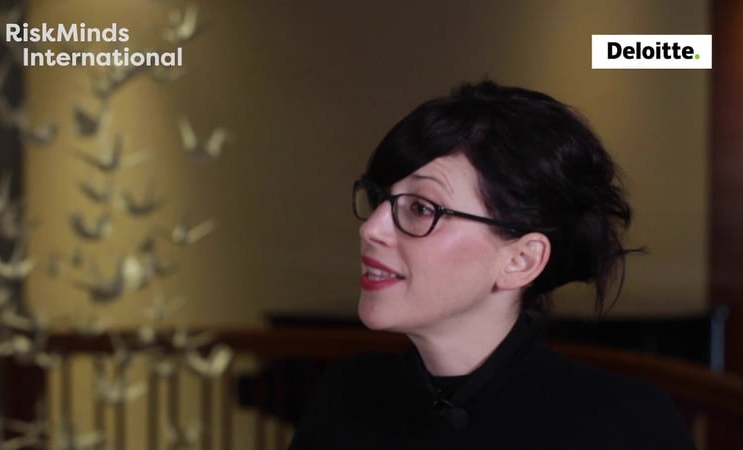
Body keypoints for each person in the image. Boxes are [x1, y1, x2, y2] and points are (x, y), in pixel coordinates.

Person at [289, 81, 696, 449]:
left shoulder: (626, 424)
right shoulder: (347, 394)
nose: (371, 229)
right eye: (381, 198)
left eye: (421, 208)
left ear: (521, 260)